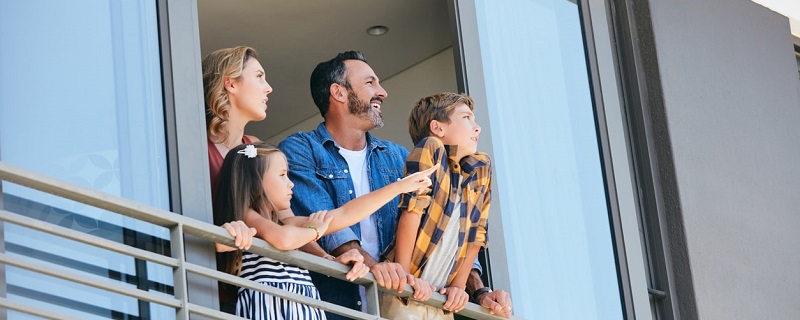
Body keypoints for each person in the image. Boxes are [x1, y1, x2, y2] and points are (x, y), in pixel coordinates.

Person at [279, 51, 512, 319]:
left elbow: (446, 227)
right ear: (338, 93)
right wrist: (379, 270)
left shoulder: (398, 156)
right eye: (370, 83)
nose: (382, 92)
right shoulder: (300, 149)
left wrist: (479, 290)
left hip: (404, 304)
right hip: (338, 306)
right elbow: (324, 226)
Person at [201, 46, 366, 313]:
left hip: (254, 291)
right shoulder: (195, 147)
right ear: (230, 83)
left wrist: (327, 259)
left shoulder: (254, 147)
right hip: (207, 287)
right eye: (259, 77)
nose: (269, 88)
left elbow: (285, 219)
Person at [214, 142, 438, 319]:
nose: (290, 183)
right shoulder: (249, 219)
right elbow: (283, 239)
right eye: (282, 175)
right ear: (255, 183)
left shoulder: (287, 223)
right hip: (271, 309)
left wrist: (400, 187)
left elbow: (344, 215)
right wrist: (315, 230)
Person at [380, 92, 511, 319]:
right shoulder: (430, 149)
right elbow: (412, 209)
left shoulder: (480, 170)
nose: (477, 127)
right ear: (438, 128)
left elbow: (477, 235)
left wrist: (459, 288)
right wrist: (405, 276)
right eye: (466, 118)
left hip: (440, 298)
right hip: (407, 291)